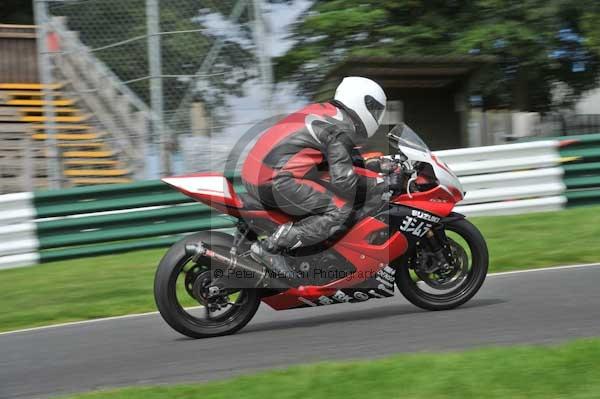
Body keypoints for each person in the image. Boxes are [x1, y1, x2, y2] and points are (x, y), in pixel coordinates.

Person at [241, 77, 403, 277]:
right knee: (339, 212)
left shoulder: (327, 113)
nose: (376, 117)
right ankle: (270, 248)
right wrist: (381, 183)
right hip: (276, 179)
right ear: (363, 103)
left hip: (258, 172)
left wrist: (376, 165)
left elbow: (338, 162)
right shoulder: (341, 127)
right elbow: (345, 182)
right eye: (375, 110)